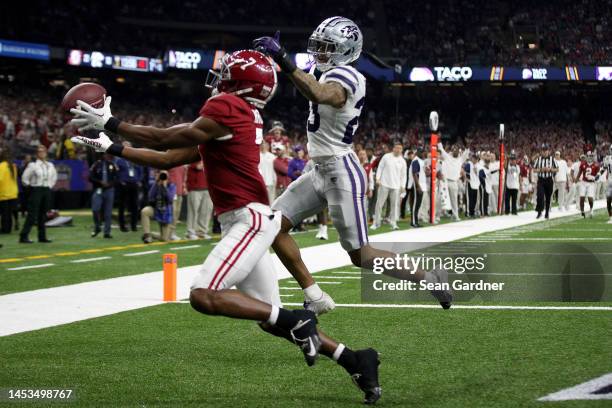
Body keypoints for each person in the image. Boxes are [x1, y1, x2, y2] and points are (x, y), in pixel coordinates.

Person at [70, 49, 381, 404]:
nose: (219, 80)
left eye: (226, 74)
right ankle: (354, 359)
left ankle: (299, 318)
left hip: (248, 218)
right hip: (249, 219)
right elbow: (169, 158)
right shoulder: (240, 114)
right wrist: (112, 147)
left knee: (205, 295)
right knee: (270, 319)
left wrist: (111, 122)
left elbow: (164, 139)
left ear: (240, 82)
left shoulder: (227, 108)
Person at [254, 20, 451, 318]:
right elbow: (309, 85)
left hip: (341, 171)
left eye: (327, 47)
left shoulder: (348, 75)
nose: (319, 52)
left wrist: (283, 59)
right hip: (319, 169)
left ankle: (429, 279)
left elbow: (321, 94)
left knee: (361, 256)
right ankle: (314, 295)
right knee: (271, 226)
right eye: (318, 45)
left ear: (346, 50)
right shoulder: (325, 71)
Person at [19, 145, 56, 243]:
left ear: (46, 153)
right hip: (36, 190)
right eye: (39, 151)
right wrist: (30, 186)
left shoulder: (50, 165)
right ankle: (23, 236)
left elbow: (54, 177)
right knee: (32, 214)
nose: (42, 153)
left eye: (43, 151)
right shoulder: (33, 165)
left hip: (46, 190)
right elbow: (24, 178)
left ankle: (42, 237)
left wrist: (49, 186)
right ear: (37, 154)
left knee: (43, 215)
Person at [372, 141, 406, 230]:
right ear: (393, 148)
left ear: (402, 150)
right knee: (379, 204)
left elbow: (403, 175)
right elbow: (380, 167)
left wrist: (403, 186)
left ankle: (393, 223)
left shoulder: (402, 161)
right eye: (397, 148)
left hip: (396, 186)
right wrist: (377, 178)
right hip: (384, 184)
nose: (398, 150)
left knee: (394, 206)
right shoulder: (386, 157)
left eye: (400, 148)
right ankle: (376, 223)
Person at [141, 170, 176, 243]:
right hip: (156, 209)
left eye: (165, 175)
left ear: (168, 176)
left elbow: (170, 199)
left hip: (166, 213)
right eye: (161, 175)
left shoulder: (172, 185)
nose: (163, 177)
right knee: (145, 211)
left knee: (164, 239)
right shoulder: (156, 184)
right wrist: (156, 183)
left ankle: (151, 235)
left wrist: (165, 186)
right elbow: (150, 196)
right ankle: (147, 235)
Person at [438, 143, 469, 221]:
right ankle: (437, 215)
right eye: (453, 149)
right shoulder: (447, 156)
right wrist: (438, 140)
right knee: (441, 198)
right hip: (445, 181)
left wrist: (467, 145)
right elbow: (441, 148)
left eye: (456, 149)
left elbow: (466, 152)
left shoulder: (460, 159)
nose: (454, 151)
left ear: (458, 151)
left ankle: (455, 216)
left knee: (454, 200)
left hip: (454, 181)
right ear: (451, 150)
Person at [89, 152, 118, 238]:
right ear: (101, 155)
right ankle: (97, 227)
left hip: (109, 190)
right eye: (104, 154)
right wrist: (99, 182)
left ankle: (107, 232)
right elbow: (90, 177)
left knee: (108, 213)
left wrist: (110, 184)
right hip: (99, 189)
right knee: (95, 209)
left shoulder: (112, 165)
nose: (106, 156)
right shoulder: (96, 164)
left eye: (107, 154)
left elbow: (116, 177)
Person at [115, 144, 142, 232]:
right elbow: (116, 173)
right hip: (124, 184)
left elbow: (140, 171)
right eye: (125, 146)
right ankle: (122, 226)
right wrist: (121, 181)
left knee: (135, 205)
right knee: (122, 206)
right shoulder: (119, 160)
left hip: (134, 184)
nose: (127, 148)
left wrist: (138, 180)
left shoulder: (135, 159)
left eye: (128, 146)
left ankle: (134, 225)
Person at [186, 161, 213, 240]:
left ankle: (202, 232)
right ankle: (190, 233)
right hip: (195, 188)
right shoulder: (193, 155)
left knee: (206, 211)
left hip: (208, 187)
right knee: (193, 211)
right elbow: (198, 166)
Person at [533, 144, 558, 219]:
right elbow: (534, 169)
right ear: (542, 151)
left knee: (548, 197)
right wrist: (541, 169)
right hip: (541, 179)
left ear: (548, 151)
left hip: (549, 179)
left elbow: (557, 169)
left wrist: (550, 169)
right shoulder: (538, 159)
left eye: (546, 150)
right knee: (540, 195)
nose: (545, 152)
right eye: (543, 150)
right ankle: (539, 212)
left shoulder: (552, 159)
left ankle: (547, 212)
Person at [0, 148, 18, 233]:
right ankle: (9, 228)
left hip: (4, 193)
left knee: (5, 213)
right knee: (9, 213)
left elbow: (0, 179)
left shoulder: (2, 166)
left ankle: (5, 229)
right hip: (13, 193)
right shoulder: (13, 166)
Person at [577, 151, 599, 218]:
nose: (590, 157)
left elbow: (598, 175)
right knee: (582, 197)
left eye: (591, 156)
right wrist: (576, 179)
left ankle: (591, 209)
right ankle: (582, 211)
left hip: (591, 183)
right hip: (583, 182)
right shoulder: (583, 164)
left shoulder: (596, 165)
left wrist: (594, 178)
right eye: (589, 156)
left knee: (590, 198)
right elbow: (580, 172)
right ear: (587, 156)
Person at [407, 146, 425, 227]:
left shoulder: (421, 161)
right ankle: (413, 222)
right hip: (416, 185)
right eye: (420, 151)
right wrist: (418, 186)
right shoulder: (416, 160)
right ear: (417, 152)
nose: (422, 153)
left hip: (422, 184)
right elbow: (414, 174)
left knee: (418, 204)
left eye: (423, 151)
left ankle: (416, 221)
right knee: (415, 204)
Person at [168, 164, 187, 240]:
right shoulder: (169, 163)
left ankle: (173, 233)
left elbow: (183, 179)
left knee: (177, 214)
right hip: (172, 193)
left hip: (179, 192)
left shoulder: (182, 165)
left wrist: (184, 188)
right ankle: (169, 233)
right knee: (172, 213)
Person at [602, 145, 612, 223]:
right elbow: (604, 168)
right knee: (608, 199)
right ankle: (610, 217)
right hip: (609, 181)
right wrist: (598, 175)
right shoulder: (607, 158)